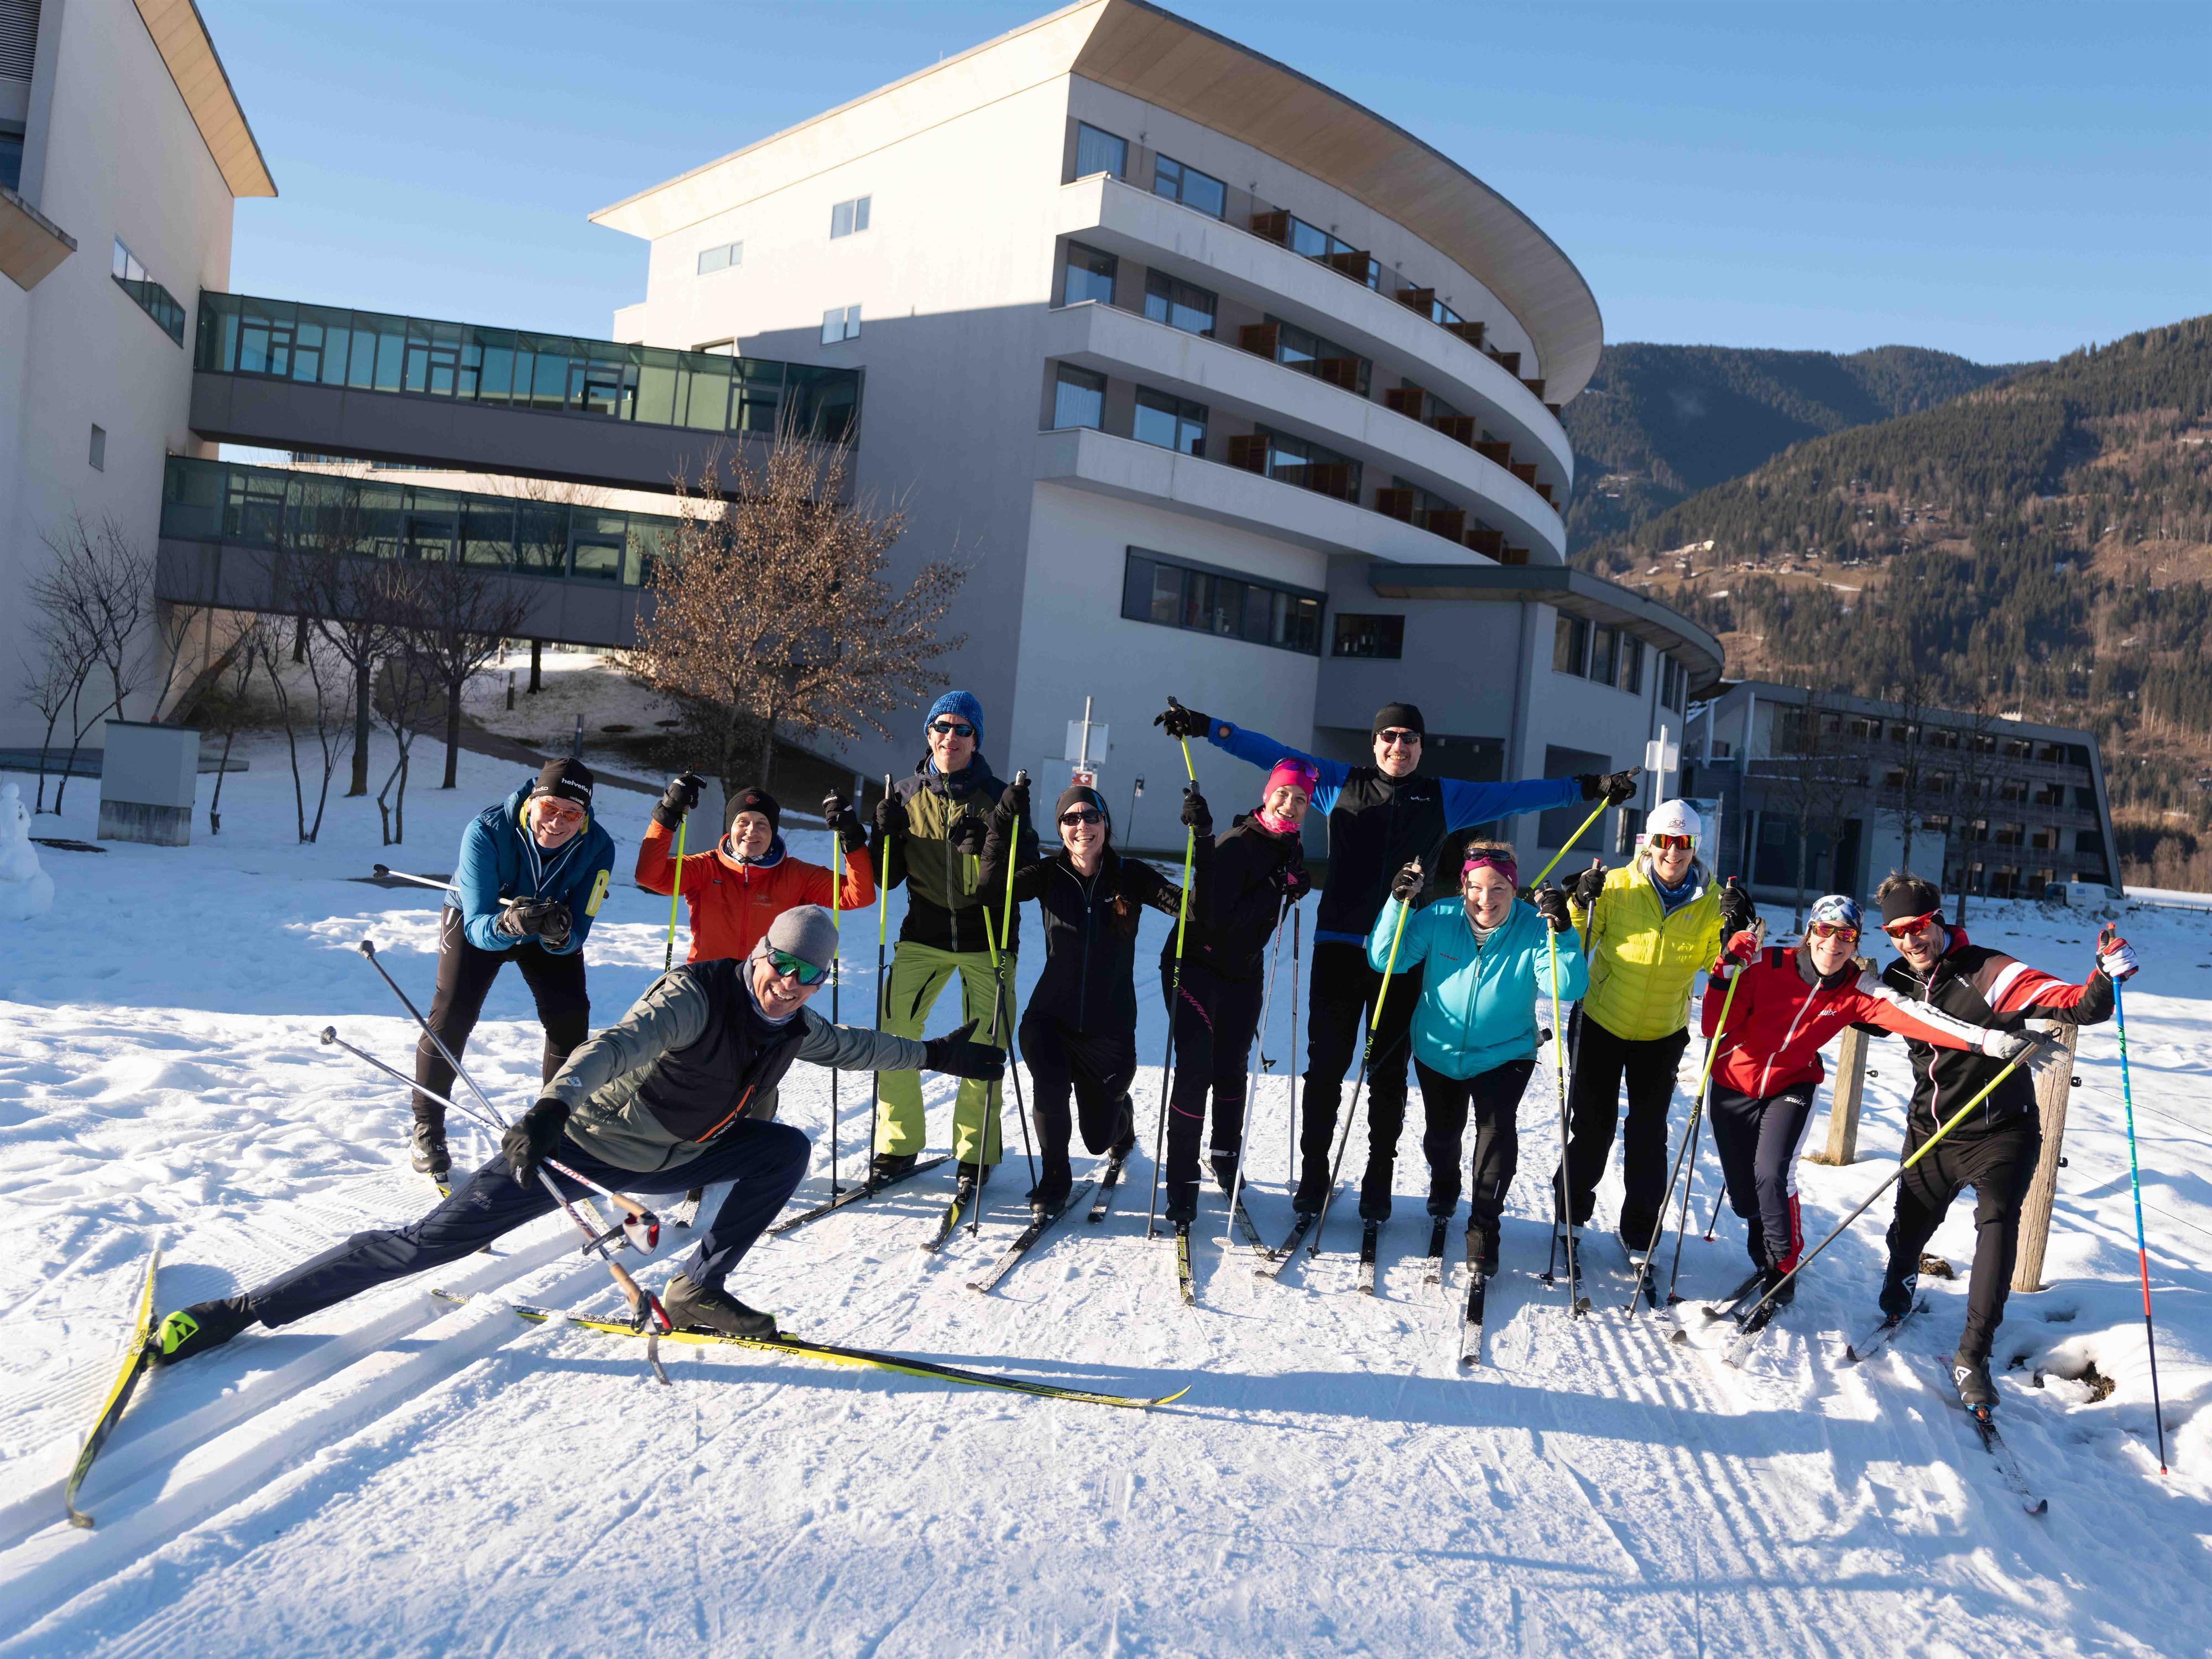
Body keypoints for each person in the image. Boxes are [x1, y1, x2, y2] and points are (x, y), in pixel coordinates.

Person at [152, 907, 1008, 1364]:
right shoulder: (695, 996)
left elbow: (856, 1047)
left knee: (783, 1150)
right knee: (428, 1245)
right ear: (757, 954)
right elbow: (614, 1047)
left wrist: (939, 1052)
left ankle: (696, 1291)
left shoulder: (791, 1024)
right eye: (779, 966)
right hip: (579, 1147)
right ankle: (243, 1310)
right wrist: (551, 1110)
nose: (787, 985)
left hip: (680, 1159)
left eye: (807, 976)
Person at [1157, 697, 1637, 1219]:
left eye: (1409, 739)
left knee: (1387, 1074)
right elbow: (1274, 755)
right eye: (1389, 737)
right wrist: (1209, 729)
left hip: (1405, 954)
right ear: (1375, 742)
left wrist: (1587, 788)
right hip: (1339, 946)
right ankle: (1315, 1173)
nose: (1398, 747)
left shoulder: (1444, 797)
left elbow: (1516, 796)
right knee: (1326, 1069)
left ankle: (1377, 1178)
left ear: (1421, 747)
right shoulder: (1340, 782)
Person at [1870, 873, 2134, 1409]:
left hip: (2000, 1133)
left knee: (1995, 1226)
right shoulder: (1895, 978)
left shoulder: (1989, 973)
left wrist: (2104, 977)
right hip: (1932, 1132)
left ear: (1937, 920)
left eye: (1918, 926)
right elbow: (1852, 1011)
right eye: (1896, 931)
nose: (1909, 940)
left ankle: (1973, 1353)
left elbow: (2079, 1006)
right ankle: (1899, 1283)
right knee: (1909, 1229)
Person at [1702, 894, 2039, 1307]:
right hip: (1732, 1083)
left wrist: (1988, 1041)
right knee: (1745, 1195)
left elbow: (1917, 1016)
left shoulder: (1855, 988)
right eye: (1825, 930)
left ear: (1857, 943)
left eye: (1847, 935)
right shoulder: (1764, 965)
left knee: (1773, 1174)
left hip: (1792, 1085)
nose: (1834, 943)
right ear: (1810, 933)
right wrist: (1724, 972)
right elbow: (1711, 1025)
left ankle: (1781, 1265)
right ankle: (1763, 1238)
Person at [979, 776, 1211, 1222]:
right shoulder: (1049, 874)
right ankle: (1055, 1178)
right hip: (1050, 1018)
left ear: (1105, 822)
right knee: (1048, 1091)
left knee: (1099, 1137)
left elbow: (1195, 912)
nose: (1081, 825)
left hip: (1110, 1029)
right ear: (1061, 828)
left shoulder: (1131, 875)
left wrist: (1202, 839)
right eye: (1070, 818)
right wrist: (1001, 823)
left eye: (1090, 815)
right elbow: (991, 894)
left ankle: (1121, 1117)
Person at [1368, 842, 1583, 1276]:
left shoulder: (1534, 926)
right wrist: (1398, 904)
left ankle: (1485, 1227)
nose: (1487, 899)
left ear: (1514, 887)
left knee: (1497, 1133)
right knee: (1442, 1135)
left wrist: (1562, 932)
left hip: (1506, 1053)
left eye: (1499, 888)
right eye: (1477, 887)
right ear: (1463, 884)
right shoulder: (1441, 917)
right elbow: (1383, 958)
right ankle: (1444, 1181)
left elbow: (1568, 986)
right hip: (1438, 1050)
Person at [409, 759, 618, 1188]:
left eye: (572, 814)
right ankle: (427, 1130)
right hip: (479, 920)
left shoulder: (599, 846)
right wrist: (509, 926)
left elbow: (580, 929)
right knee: (452, 1015)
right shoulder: (486, 831)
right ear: (533, 802)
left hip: (543, 927)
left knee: (570, 1016)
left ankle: (554, 1125)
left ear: (585, 818)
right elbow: (476, 927)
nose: (558, 822)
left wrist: (561, 936)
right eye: (550, 809)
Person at [1558, 798, 1751, 1254]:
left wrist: (1737, 932)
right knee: (1594, 1126)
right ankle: (1570, 1214)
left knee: (1648, 1134)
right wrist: (1579, 898)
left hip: (1662, 1033)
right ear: (1649, 843)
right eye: (1665, 841)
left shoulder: (1709, 904)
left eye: (1684, 843)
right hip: (1602, 1021)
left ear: (1695, 847)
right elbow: (1578, 931)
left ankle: (1641, 1231)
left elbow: (1717, 963)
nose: (1673, 853)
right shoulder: (1618, 886)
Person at [871, 692, 1037, 1207]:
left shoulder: (998, 797)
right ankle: (898, 1146)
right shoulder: (902, 794)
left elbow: (1025, 877)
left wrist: (992, 844)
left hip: (986, 936)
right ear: (928, 735)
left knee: (985, 1045)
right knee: (894, 1034)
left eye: (962, 729)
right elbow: (888, 878)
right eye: (941, 726)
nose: (950, 736)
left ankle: (975, 1152)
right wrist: (883, 838)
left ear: (976, 739)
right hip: (923, 935)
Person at [1157, 759, 1314, 1222]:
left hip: (1243, 971)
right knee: (1197, 1066)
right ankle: (1182, 1177)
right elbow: (1210, 914)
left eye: (1301, 799)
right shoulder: (1237, 844)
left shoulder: (1290, 848)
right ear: (1268, 794)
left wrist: (1294, 886)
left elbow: (1269, 910)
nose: (1290, 804)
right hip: (1196, 965)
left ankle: (1225, 1155)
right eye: (1283, 794)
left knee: (1232, 1068)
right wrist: (1274, 887)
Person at [636, 778, 872, 964]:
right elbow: (649, 876)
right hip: (707, 983)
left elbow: (857, 895)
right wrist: (667, 814)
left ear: (773, 832)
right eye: (743, 822)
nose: (752, 831)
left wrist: (851, 837)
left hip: (768, 989)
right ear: (730, 828)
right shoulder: (705, 867)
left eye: (762, 824)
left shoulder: (795, 874)